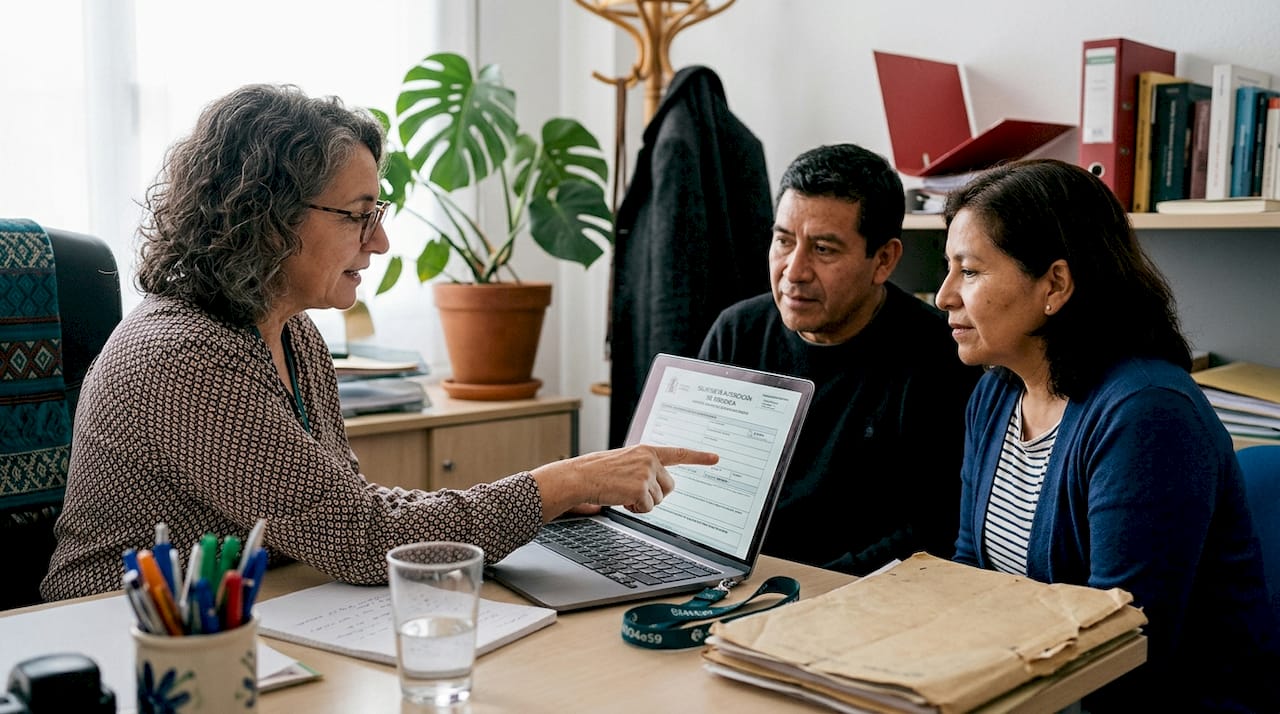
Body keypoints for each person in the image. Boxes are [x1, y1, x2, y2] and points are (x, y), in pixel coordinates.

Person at [41, 84, 717, 601]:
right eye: (358, 216)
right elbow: (359, 536)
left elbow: (349, 511)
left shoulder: (290, 331)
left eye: (379, 214)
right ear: (267, 218)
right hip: (126, 634)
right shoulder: (181, 356)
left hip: (258, 610)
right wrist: (560, 481)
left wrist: (557, 498)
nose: (382, 242)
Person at [938, 158, 1280, 711]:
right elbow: (971, 571)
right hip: (1027, 687)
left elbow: (1124, 646)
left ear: (1055, 284)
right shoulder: (998, 392)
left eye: (970, 271)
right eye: (949, 270)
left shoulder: (1146, 413)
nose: (944, 296)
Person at [698, 144, 979, 575]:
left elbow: (933, 528)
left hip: (857, 595)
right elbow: (693, 482)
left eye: (824, 249)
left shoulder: (937, 356)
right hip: (730, 578)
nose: (794, 271)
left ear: (883, 260)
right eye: (783, 241)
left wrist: (809, 588)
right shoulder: (737, 333)